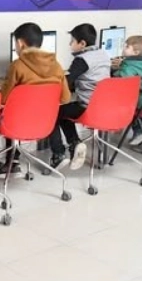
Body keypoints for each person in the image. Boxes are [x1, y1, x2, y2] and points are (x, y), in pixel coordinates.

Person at [0, 23, 71, 178]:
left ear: (20, 43)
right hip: (45, 123)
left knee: (1, 112)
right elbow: (65, 98)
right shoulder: (56, 66)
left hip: (17, 124)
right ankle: (13, 160)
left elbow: (4, 99)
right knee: (13, 112)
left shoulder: (17, 65)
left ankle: (6, 161)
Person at [48, 24, 110, 171]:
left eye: (72, 41)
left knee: (53, 112)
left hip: (88, 107)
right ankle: (74, 143)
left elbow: (66, 83)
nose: (70, 44)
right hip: (105, 106)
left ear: (82, 43)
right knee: (64, 111)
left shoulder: (82, 60)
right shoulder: (103, 54)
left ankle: (59, 153)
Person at [111, 36, 142, 145]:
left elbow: (125, 82)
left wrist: (115, 72)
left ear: (136, 52)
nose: (123, 48)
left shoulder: (128, 66)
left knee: (116, 100)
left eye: (127, 47)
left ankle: (137, 132)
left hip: (138, 101)